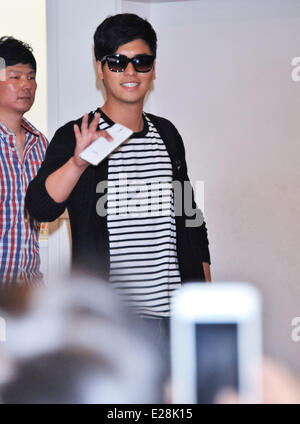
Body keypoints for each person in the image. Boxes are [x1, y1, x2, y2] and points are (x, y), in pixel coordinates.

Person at [25, 13, 211, 320]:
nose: (130, 72)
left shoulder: (167, 134)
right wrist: (77, 163)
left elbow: (191, 217)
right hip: (110, 324)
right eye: (117, 62)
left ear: (153, 70)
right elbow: (41, 208)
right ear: (100, 69)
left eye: (142, 62)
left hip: (176, 316)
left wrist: (205, 294)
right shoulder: (77, 135)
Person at [0, 36, 48, 285]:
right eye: (15, 77)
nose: (26, 85)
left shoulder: (41, 144)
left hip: (28, 290)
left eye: (31, 77)